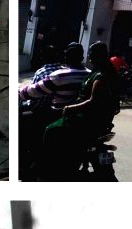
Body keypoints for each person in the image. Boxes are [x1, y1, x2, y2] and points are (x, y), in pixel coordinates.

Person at [41, 41, 120, 178]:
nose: (89, 58)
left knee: (50, 130)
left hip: (85, 119)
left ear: (98, 56)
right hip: (99, 120)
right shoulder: (99, 72)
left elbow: (93, 101)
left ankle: (50, 168)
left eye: (91, 55)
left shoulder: (100, 76)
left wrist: (69, 108)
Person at [19, 42, 92, 110]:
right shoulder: (90, 73)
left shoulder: (59, 76)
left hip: (58, 113)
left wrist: (19, 93)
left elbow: (32, 91)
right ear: (82, 58)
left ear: (66, 57)